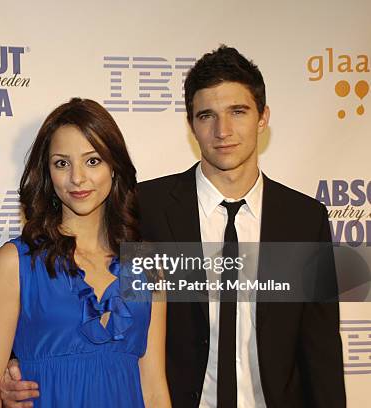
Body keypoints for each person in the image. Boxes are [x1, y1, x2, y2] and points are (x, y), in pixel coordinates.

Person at [137, 46, 346, 407]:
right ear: (191, 125)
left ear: (263, 118)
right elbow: (122, 324)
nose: (223, 130)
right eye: (207, 116)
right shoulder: (146, 209)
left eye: (238, 111)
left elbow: (321, 347)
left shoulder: (304, 219)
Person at [0, 98, 170, 407]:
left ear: (114, 168)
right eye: (62, 163)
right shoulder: (14, 263)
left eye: (92, 161)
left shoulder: (146, 266)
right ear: (47, 174)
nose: (77, 178)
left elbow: (155, 388)